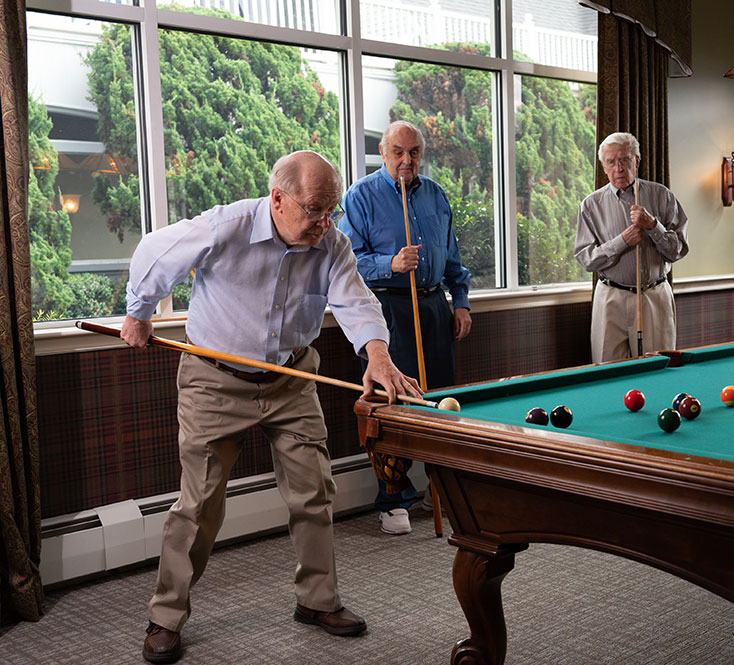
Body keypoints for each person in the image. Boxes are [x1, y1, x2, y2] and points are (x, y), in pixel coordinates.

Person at [121, 150, 421, 664]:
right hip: (215, 381)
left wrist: (377, 354)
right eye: (314, 210)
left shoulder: (330, 242)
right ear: (278, 199)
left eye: (332, 211)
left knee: (314, 492)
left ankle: (317, 601)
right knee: (199, 506)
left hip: (290, 378)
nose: (325, 223)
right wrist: (140, 312)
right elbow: (155, 250)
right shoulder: (226, 226)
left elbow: (354, 300)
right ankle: (165, 616)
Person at [339, 120, 472, 536]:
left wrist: (461, 301)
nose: (406, 160)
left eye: (414, 152)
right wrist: (390, 264)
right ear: (383, 151)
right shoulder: (360, 196)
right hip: (387, 311)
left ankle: (444, 487)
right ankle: (393, 498)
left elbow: (451, 255)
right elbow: (344, 263)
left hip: (433, 305)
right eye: (398, 152)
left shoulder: (434, 194)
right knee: (393, 401)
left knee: (441, 398)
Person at [574, 132, 689, 362]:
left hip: (654, 295)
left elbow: (679, 249)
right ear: (603, 167)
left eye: (624, 159)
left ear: (636, 161)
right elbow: (587, 259)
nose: (618, 168)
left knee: (659, 367)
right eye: (611, 162)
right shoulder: (590, 205)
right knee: (608, 371)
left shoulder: (661, 195)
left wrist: (653, 226)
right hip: (611, 297)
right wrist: (622, 241)